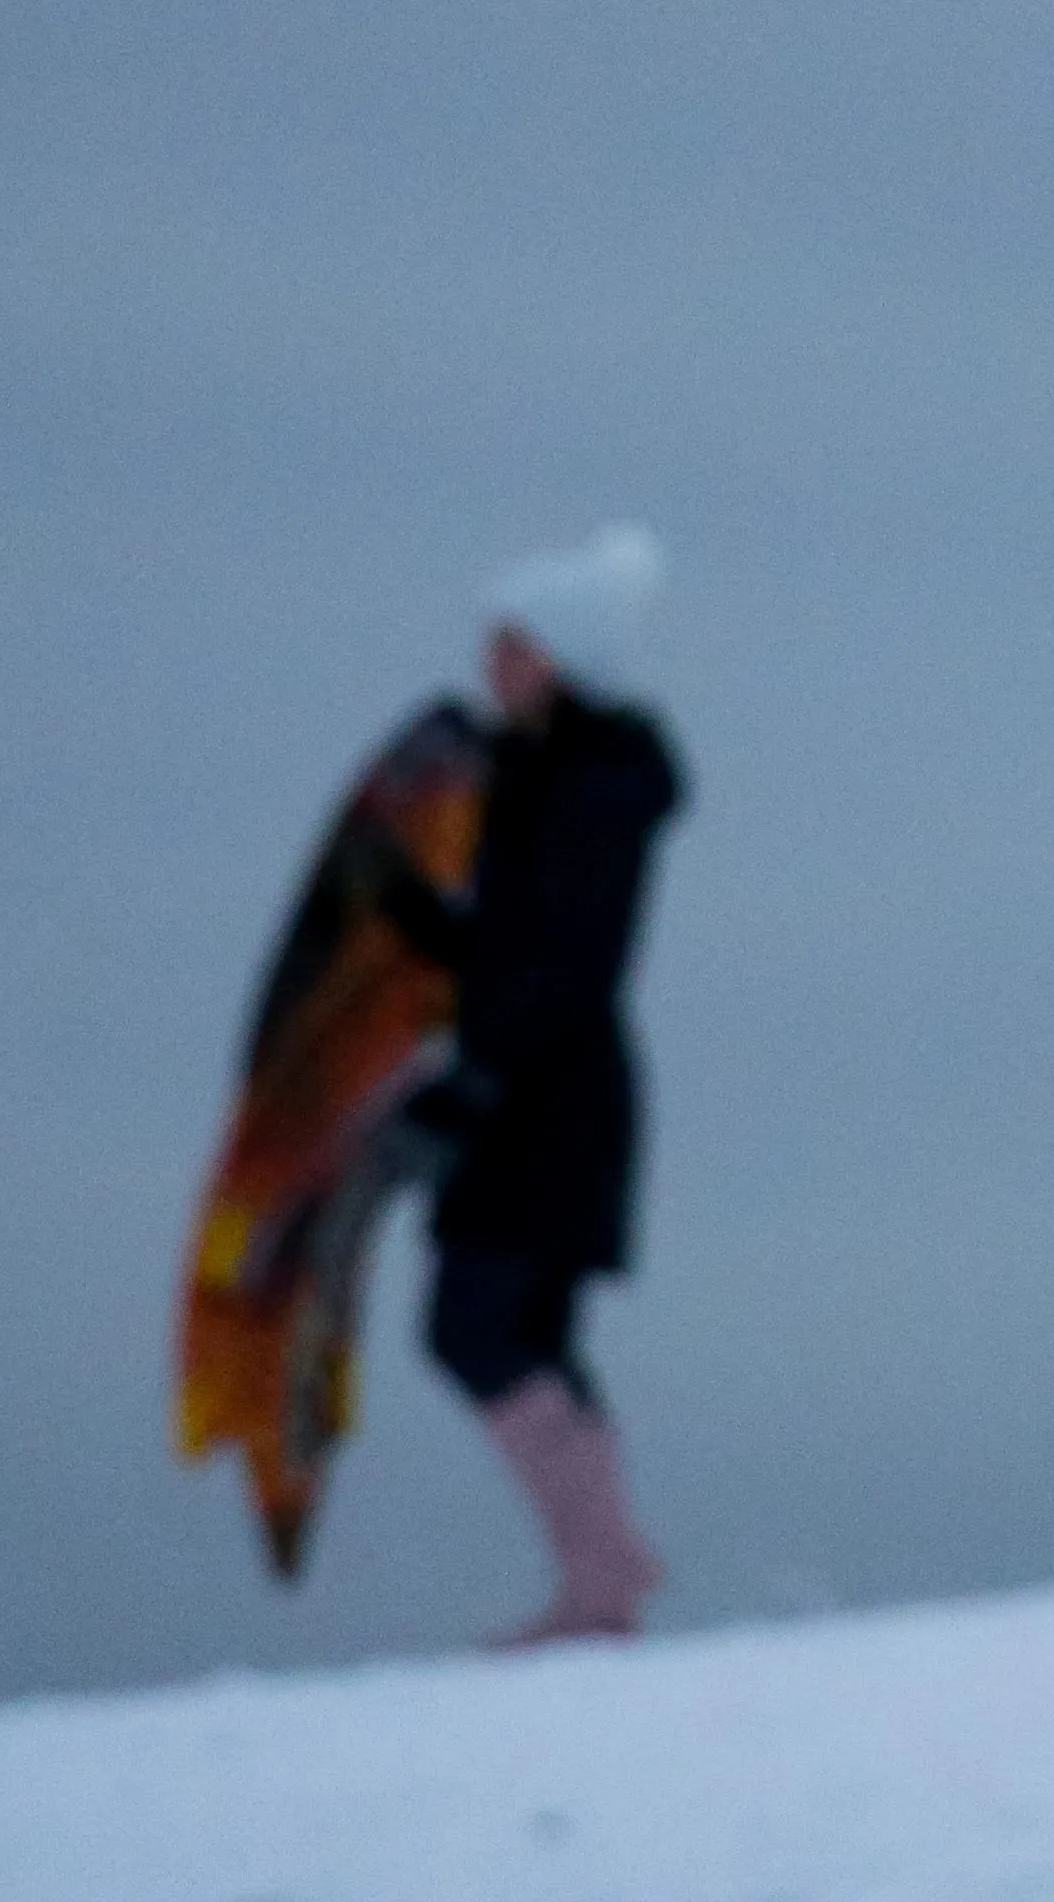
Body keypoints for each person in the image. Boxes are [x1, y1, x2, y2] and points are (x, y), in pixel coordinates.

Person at [380, 527, 686, 1637]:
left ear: (564, 655)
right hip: (531, 1085)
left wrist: (479, 1079)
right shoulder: (533, 777)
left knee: (480, 1322)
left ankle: (605, 1573)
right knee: (519, 1330)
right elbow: (508, 941)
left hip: (549, 1098)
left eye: (513, 644)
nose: (491, 664)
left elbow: (566, 957)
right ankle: (602, 1576)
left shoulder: (592, 785)